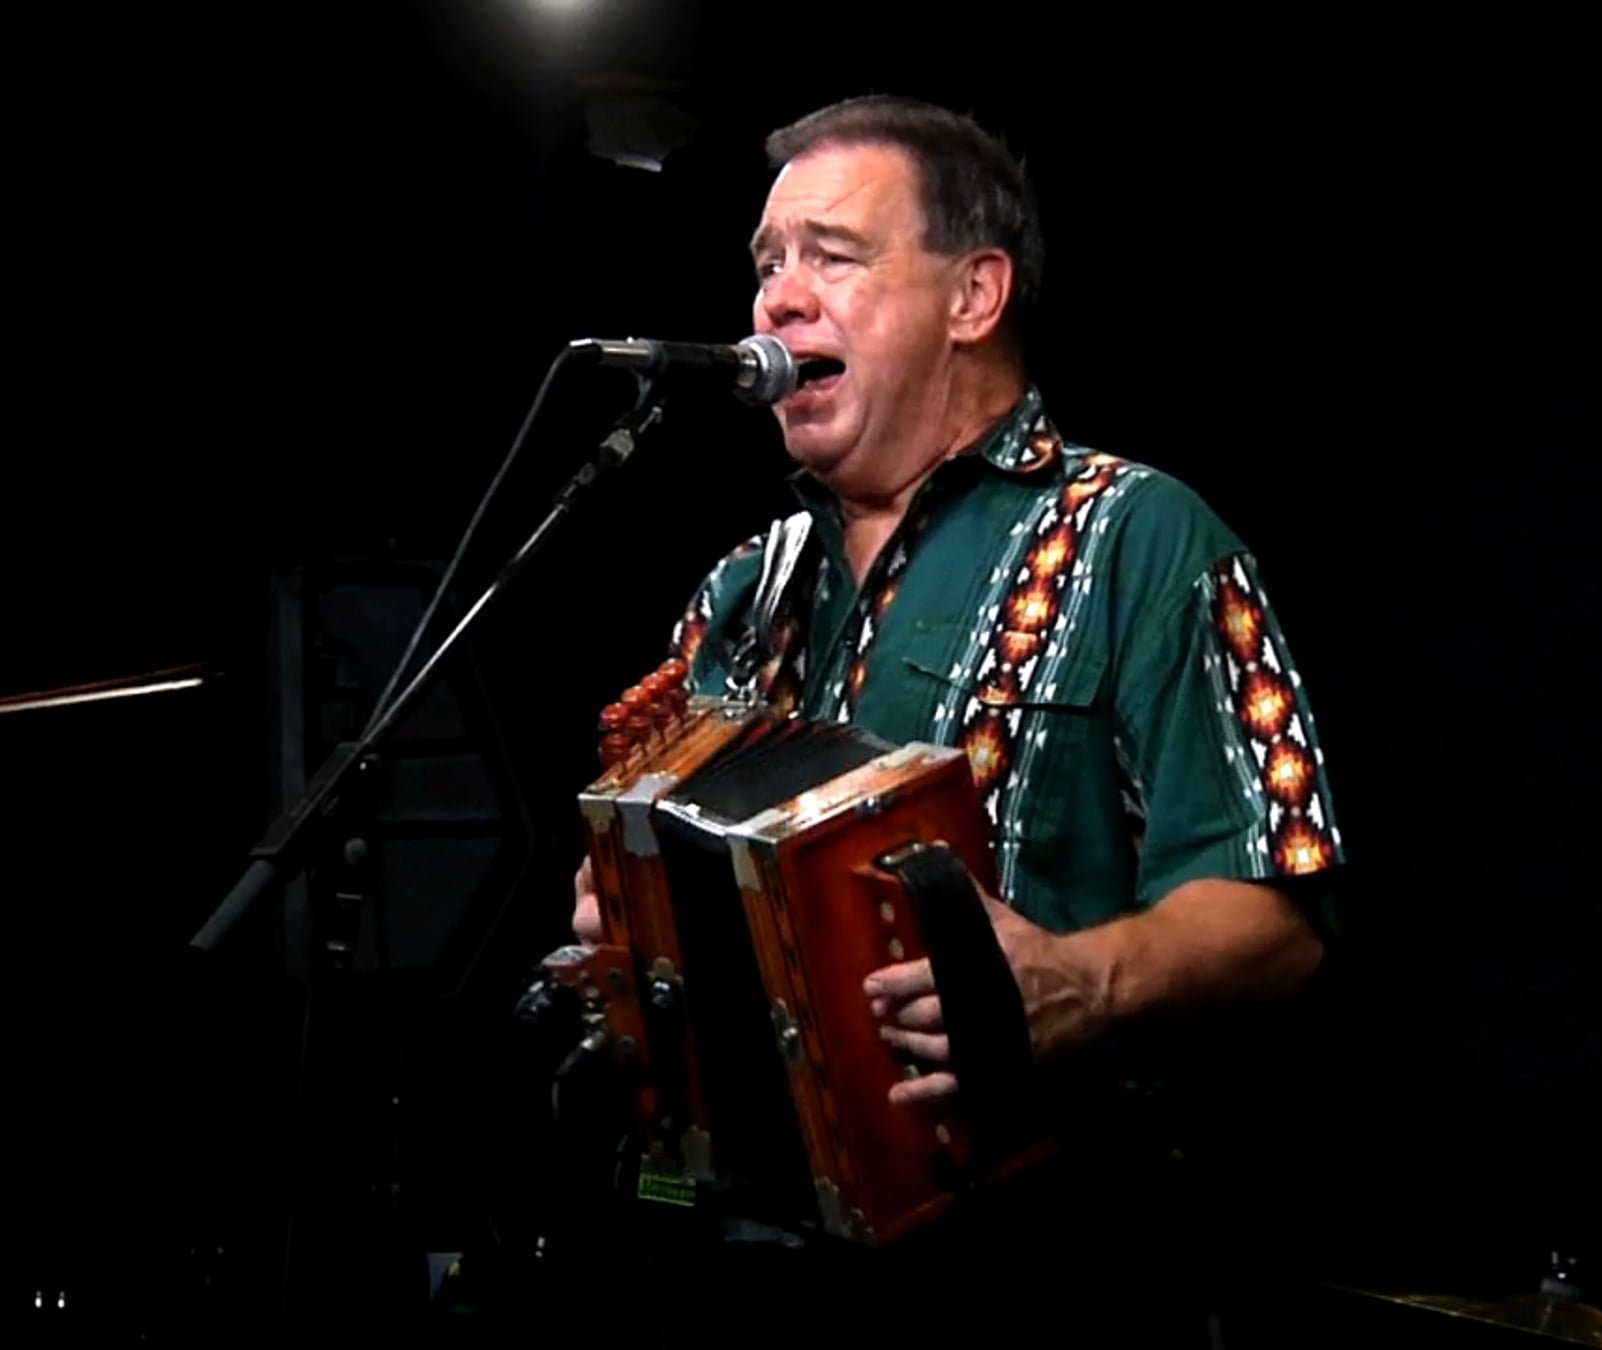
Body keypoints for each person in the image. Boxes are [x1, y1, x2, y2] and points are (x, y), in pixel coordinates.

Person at [561, 94, 1349, 1347]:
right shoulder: (741, 588)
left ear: (974, 296)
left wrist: (1081, 981)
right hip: (738, 1267)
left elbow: (1280, 921)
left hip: (1044, 1277)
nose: (778, 299)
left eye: (833, 255)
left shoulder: (1139, 538)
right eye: (767, 263)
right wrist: (624, 917)